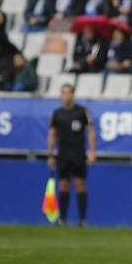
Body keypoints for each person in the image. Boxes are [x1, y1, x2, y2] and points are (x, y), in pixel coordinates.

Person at [47, 84, 96, 226]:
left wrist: (92, 152)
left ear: (73, 94)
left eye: (69, 93)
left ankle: (82, 220)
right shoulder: (57, 113)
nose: (66, 96)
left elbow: (91, 131)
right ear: (61, 95)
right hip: (63, 153)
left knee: (80, 184)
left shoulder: (82, 112)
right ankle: (63, 219)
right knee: (63, 185)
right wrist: (50, 154)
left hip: (78, 153)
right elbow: (52, 134)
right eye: (64, 93)